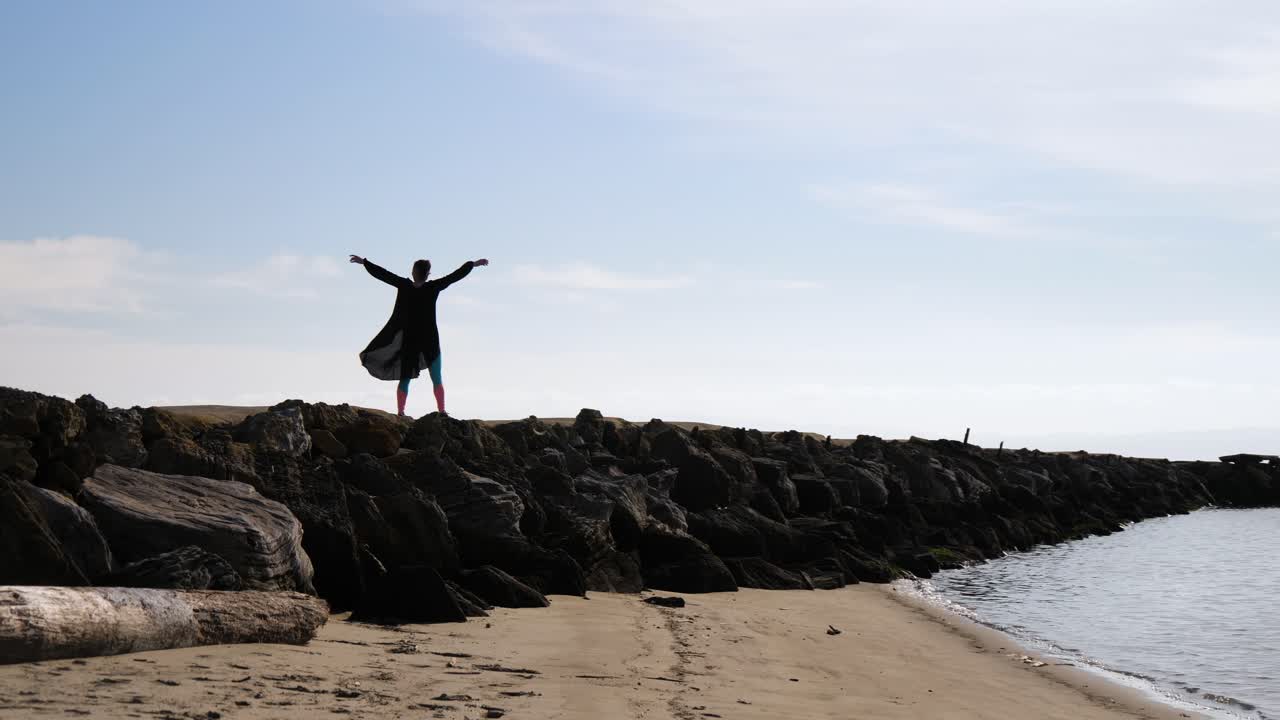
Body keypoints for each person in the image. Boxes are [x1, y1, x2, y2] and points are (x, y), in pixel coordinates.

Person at [349, 254, 489, 416]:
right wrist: (473, 264)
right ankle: (442, 410)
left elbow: (384, 274)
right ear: (428, 274)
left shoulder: (405, 285)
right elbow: (455, 276)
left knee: (405, 378)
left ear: (414, 271)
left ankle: (401, 412)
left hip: (410, 340)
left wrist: (364, 263)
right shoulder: (433, 287)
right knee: (436, 377)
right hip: (430, 339)